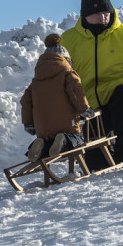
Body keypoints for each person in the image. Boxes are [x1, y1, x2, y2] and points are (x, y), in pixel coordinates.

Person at [61, 0, 123, 166]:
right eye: (96, 14)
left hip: (118, 97)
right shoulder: (69, 40)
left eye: (105, 12)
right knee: (96, 162)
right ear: (85, 16)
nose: (102, 17)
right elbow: (63, 72)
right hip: (90, 106)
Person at [20, 34, 93, 162]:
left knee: (49, 144)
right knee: (76, 139)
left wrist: (29, 123)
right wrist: (84, 109)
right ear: (66, 60)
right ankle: (64, 140)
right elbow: (76, 92)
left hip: (42, 127)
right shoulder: (68, 74)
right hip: (66, 124)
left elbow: (25, 101)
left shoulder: (36, 81)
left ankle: (40, 144)